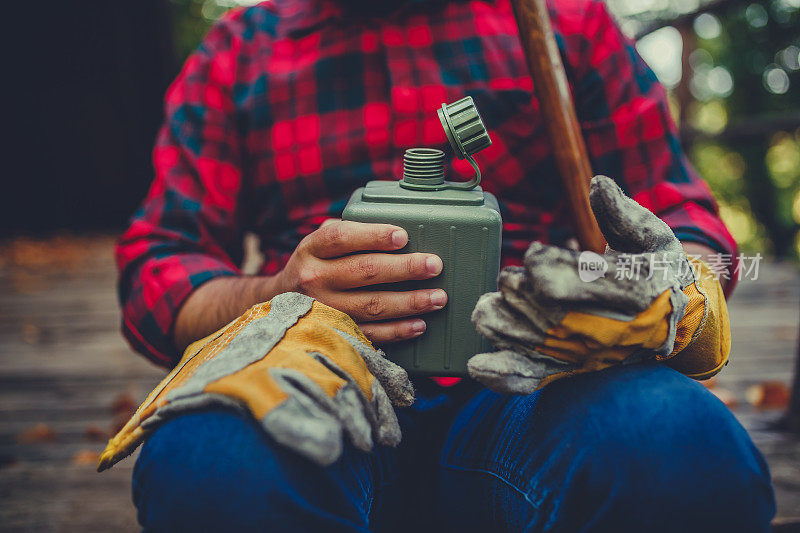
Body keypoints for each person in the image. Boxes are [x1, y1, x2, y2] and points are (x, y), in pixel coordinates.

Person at [117, 0, 775, 530]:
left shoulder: (564, 22)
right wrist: (280, 292)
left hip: (538, 393)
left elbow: (687, 224)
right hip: (317, 394)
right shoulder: (240, 52)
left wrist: (662, 288)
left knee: (678, 442)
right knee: (209, 462)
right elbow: (158, 269)